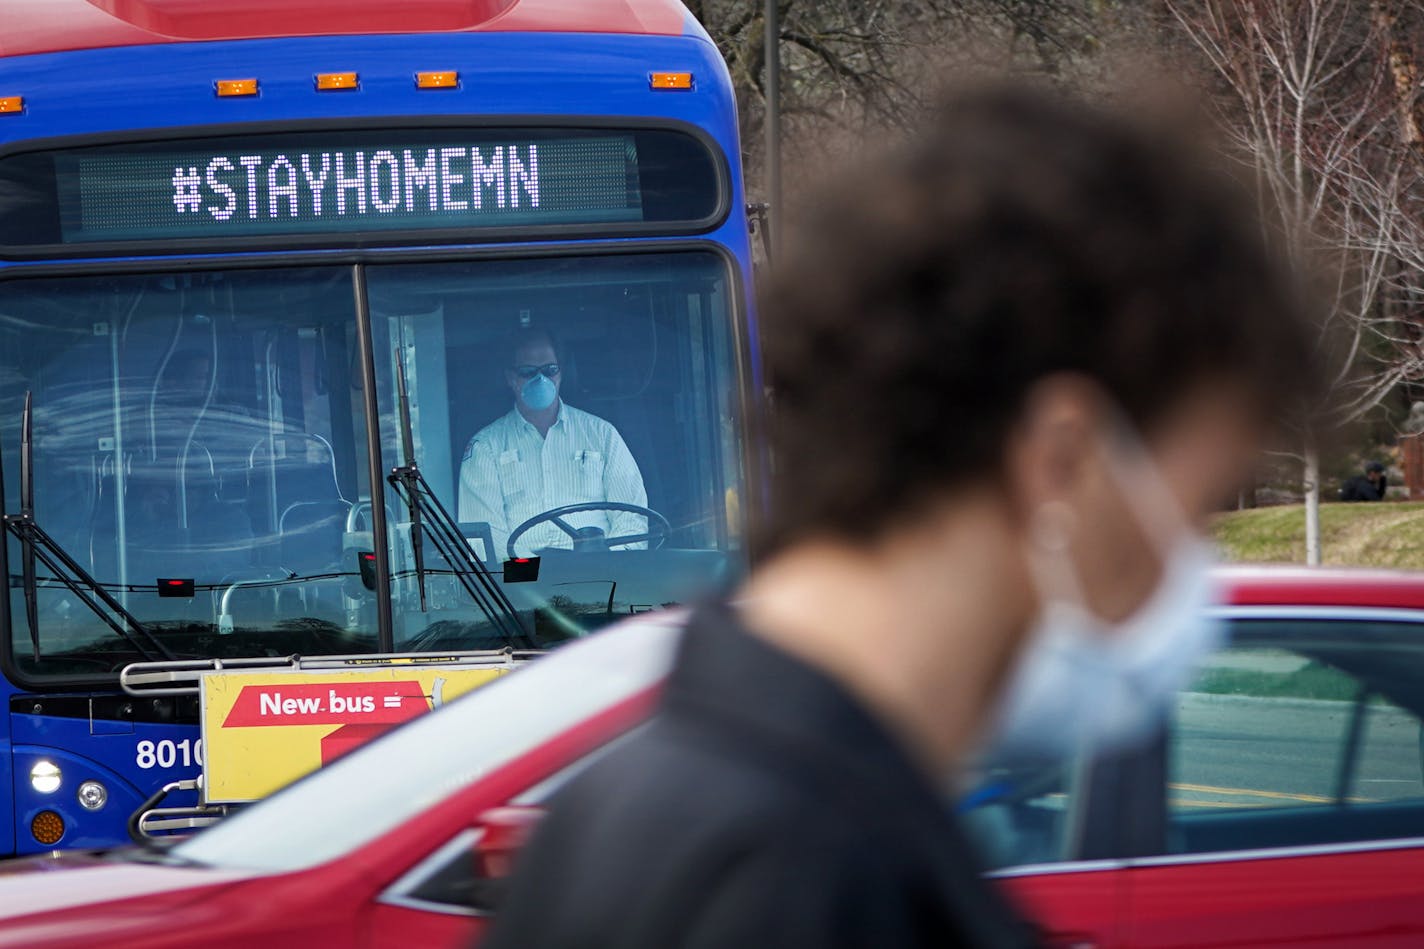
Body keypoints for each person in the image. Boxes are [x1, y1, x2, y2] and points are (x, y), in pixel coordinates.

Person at [482, 85, 1315, 948]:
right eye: (1197, 507)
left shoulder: (616, 806)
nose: (1194, 572)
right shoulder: (831, 890)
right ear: (1061, 461)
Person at [457, 327, 648, 559]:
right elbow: (484, 539)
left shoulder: (602, 434)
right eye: (528, 372)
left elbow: (632, 520)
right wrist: (536, 575)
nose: (541, 379)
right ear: (511, 378)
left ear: (561, 373)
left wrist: (610, 566)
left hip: (601, 578)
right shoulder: (485, 447)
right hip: (520, 585)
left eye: (550, 370)